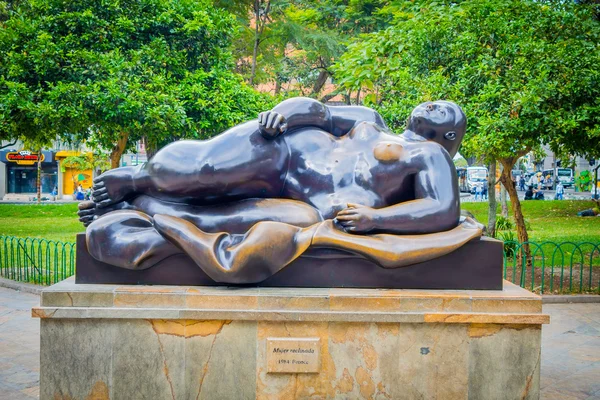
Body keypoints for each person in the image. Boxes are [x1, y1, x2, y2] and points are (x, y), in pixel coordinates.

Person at [78, 98, 481, 281]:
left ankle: (142, 206)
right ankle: (136, 180)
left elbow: (442, 209)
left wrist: (376, 218)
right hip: (284, 150)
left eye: (444, 108)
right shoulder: (370, 118)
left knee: (223, 217)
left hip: (307, 204)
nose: (433, 103)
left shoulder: (431, 155)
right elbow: (320, 111)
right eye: (433, 101)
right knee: (204, 168)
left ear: (449, 134)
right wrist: (285, 112)